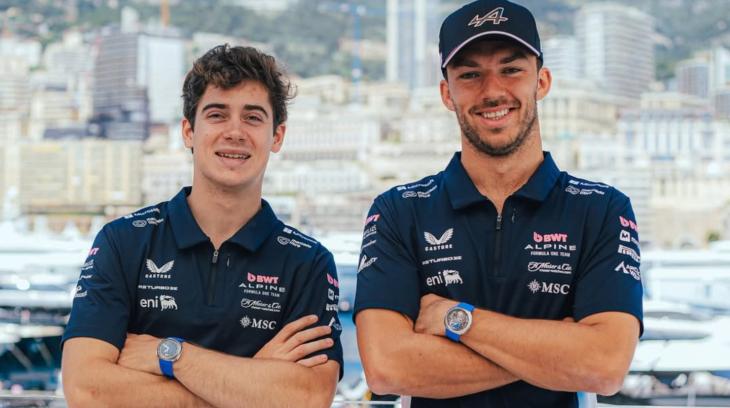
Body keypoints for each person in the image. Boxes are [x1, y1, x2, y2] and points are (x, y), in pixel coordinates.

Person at [354, 1, 643, 407]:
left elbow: (604, 366)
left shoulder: (601, 210)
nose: (492, 91)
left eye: (511, 70)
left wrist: (456, 319)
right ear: (447, 93)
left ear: (542, 81)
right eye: (470, 75)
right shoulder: (399, 211)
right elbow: (388, 368)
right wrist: (557, 353)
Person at [61, 44, 342, 408]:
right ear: (188, 132)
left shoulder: (308, 263)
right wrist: (249, 385)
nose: (235, 131)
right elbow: (87, 391)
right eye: (217, 115)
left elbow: (308, 397)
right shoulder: (123, 242)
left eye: (253, 117)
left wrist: (171, 355)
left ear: (277, 136)